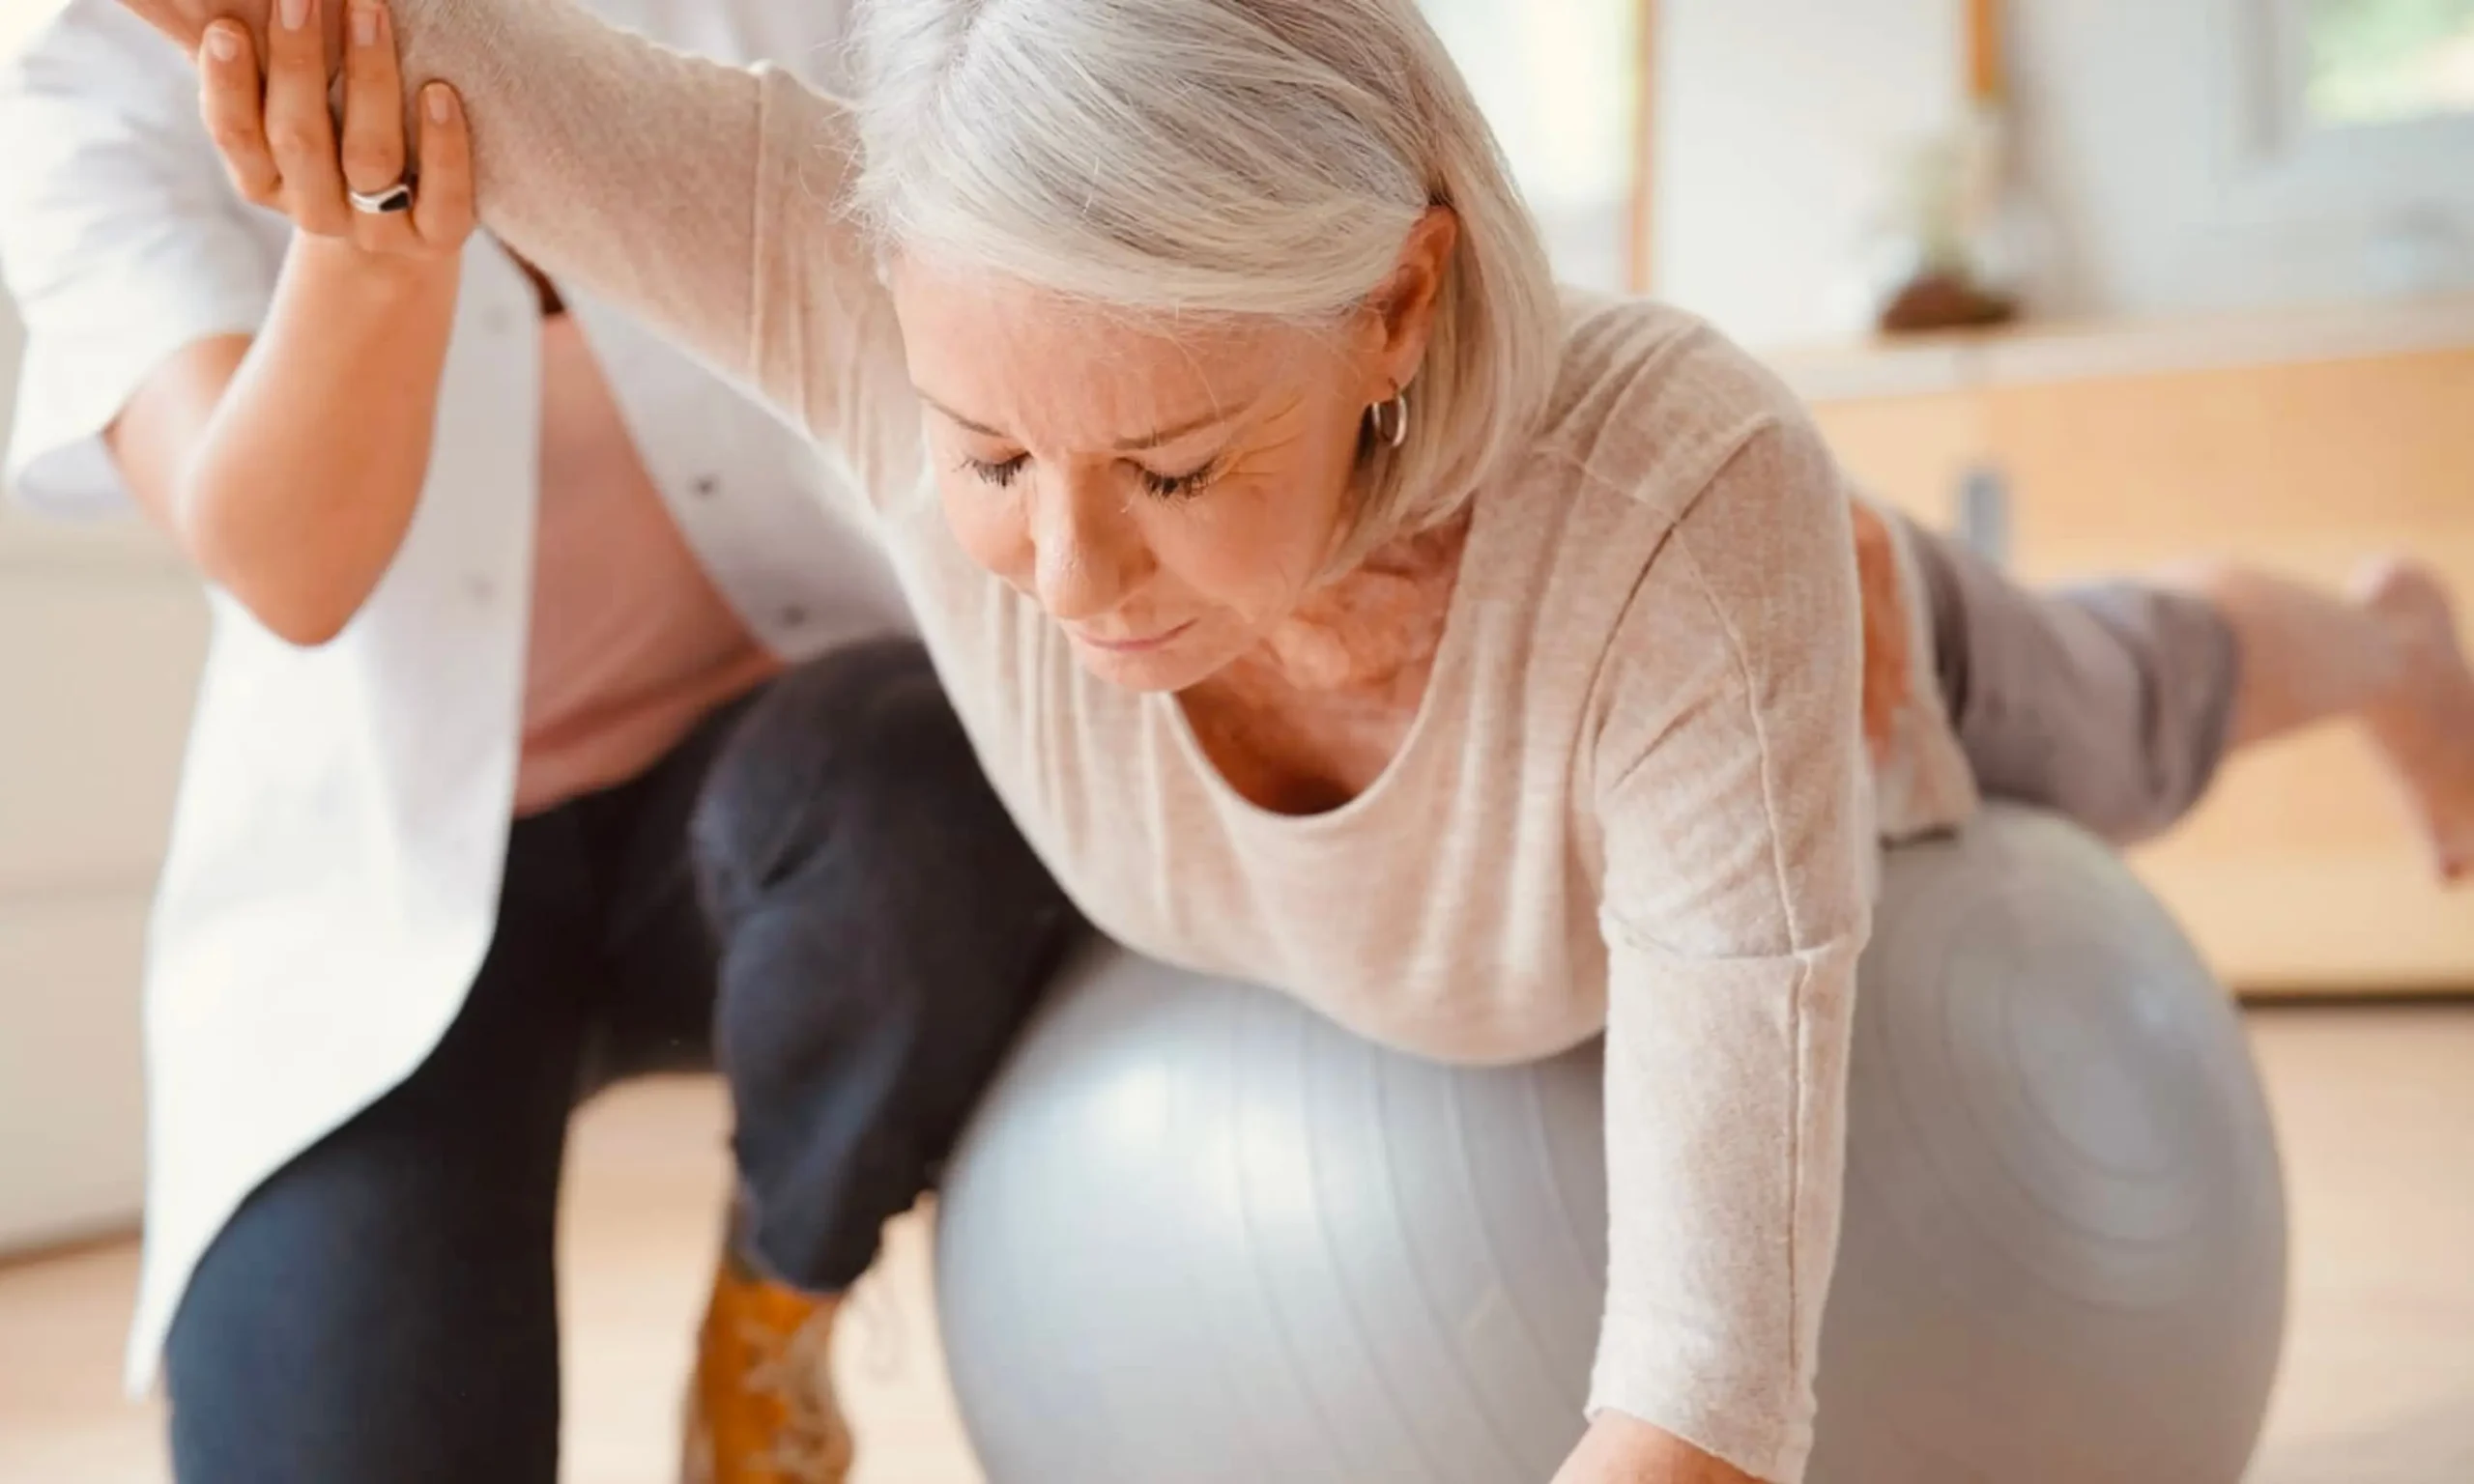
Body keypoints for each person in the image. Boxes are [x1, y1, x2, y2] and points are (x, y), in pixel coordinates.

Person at [96, 0, 2474, 1479]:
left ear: (1392, 306)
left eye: (1170, 472)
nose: (1070, 580)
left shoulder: (1674, 516)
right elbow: (407, 46)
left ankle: (2379, 642)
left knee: (2128, 704)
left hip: (1774, 633)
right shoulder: (855, 272)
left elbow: (1712, 1394)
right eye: (990, 465)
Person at [0, 4, 1079, 1483]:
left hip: (800, 792)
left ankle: (781, 1289)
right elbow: (287, 571)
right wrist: (373, 246)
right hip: (381, 876)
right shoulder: (79, 73)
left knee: (902, 794)